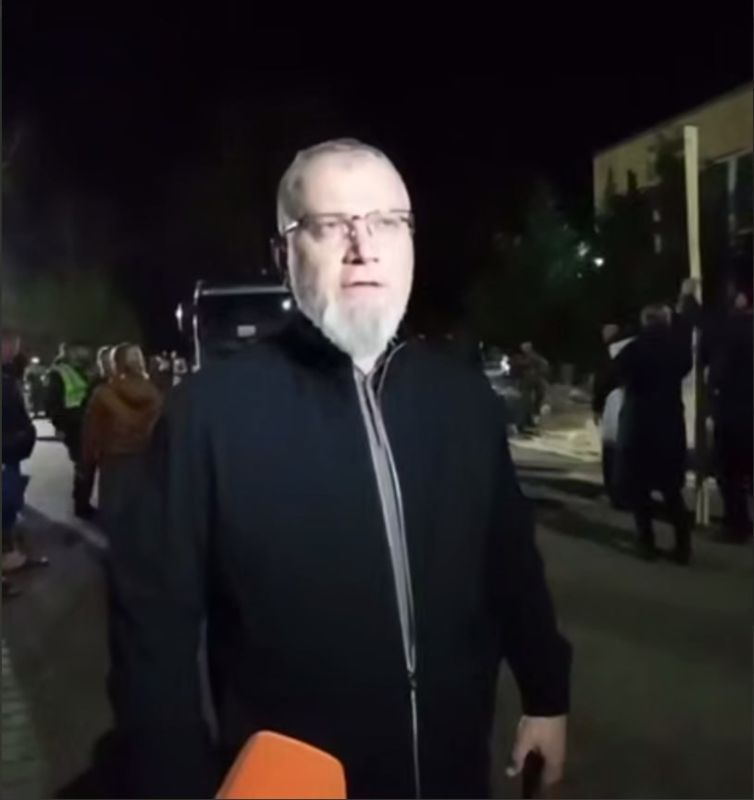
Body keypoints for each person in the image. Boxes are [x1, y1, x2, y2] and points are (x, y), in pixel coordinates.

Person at [110, 139, 571, 799]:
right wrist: (173, 780)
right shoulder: (210, 414)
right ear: (284, 254)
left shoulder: (461, 399)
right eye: (331, 225)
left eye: (387, 222)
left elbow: (511, 563)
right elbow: (152, 630)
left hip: (454, 771)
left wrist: (546, 694)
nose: (364, 247)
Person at [615, 283, 697, 563]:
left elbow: (617, 375)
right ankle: (683, 547)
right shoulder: (677, 351)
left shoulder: (633, 349)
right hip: (669, 426)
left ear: (644, 322)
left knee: (640, 491)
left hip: (639, 427)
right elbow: (686, 350)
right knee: (671, 490)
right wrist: (686, 303)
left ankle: (646, 543)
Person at [82, 343, 162, 544]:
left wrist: (87, 461)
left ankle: (118, 553)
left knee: (114, 511)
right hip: (145, 457)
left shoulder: (103, 393)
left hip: (113, 458)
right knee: (141, 509)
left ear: (115, 363)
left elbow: (91, 431)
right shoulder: (154, 393)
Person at [706, 285, 753, 542]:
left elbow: (719, 373)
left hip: (735, 414)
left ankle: (737, 526)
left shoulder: (733, 330)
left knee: (730, 473)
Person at [2, 329, 44, 598]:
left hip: (11, 452)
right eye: (9, 344)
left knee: (10, 503)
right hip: (5, 451)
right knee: (6, 503)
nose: (14, 349)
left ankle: (10, 557)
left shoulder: (10, 374)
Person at [46, 342, 96, 519]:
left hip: (86, 422)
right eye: (79, 349)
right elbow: (52, 403)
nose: (84, 352)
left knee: (87, 464)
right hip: (73, 425)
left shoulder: (83, 370)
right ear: (69, 352)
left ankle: (82, 501)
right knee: (83, 464)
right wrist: (59, 426)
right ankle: (81, 505)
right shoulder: (58, 372)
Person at [592, 324, 633, 509]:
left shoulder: (611, 353)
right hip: (636, 405)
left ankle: (614, 493)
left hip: (614, 404)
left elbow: (602, 382)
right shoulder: (635, 347)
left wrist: (596, 407)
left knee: (611, 451)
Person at [516, 342, 549, 430]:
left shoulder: (531, 358)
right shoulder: (535, 357)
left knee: (526, 403)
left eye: (524, 348)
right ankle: (529, 422)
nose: (522, 350)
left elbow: (523, 364)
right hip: (533, 383)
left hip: (530, 383)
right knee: (529, 403)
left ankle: (524, 424)